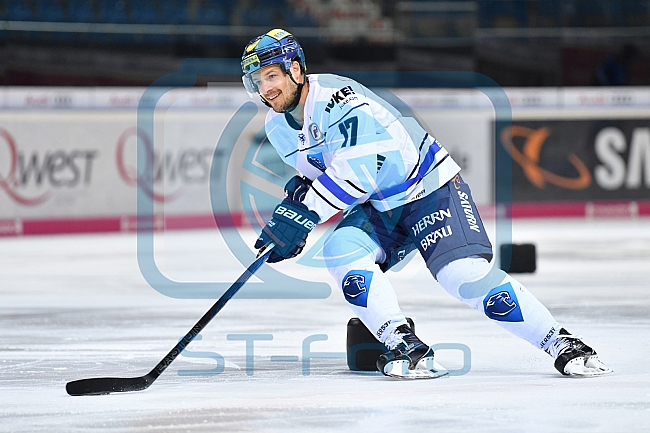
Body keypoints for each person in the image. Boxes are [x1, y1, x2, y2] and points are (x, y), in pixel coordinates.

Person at [241, 29, 612, 379]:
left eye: (272, 76)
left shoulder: (338, 100)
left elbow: (361, 173)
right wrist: (291, 213)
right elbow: (317, 175)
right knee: (341, 252)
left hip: (427, 187)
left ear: (295, 68)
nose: (267, 89)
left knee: (461, 276)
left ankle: (560, 342)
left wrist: (304, 216)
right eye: (259, 82)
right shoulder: (277, 126)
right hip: (381, 204)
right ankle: (404, 344)